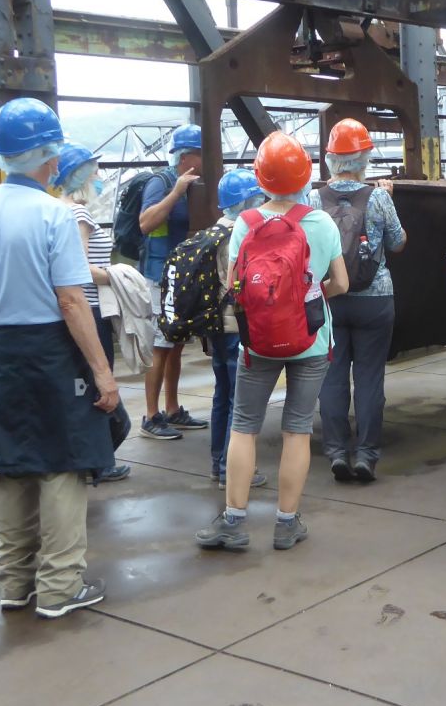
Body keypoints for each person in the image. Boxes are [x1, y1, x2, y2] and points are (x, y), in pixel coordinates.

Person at [0, 98, 121, 620]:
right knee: (62, 467)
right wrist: (103, 373)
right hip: (50, 352)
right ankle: (60, 587)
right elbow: (71, 301)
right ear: (48, 155)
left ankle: (14, 582)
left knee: (12, 466)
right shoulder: (54, 214)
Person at [196, 132, 347, 553]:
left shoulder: (245, 223)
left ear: (261, 179)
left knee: (244, 426)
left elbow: (235, 285)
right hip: (311, 341)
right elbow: (342, 282)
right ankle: (286, 524)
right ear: (306, 176)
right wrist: (305, 299)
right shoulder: (322, 223)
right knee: (297, 430)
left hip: (258, 342)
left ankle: (233, 522)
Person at [309, 118, 407, 483]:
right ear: (364, 157)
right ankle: (366, 455)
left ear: (330, 158)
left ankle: (337, 451)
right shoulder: (378, 196)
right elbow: (397, 242)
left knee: (332, 378)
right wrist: (389, 201)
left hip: (330, 296)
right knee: (369, 379)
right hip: (374, 298)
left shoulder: (314, 198)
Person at [54, 142, 130, 483]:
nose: (99, 178)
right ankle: (100, 461)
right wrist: (117, 276)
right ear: (80, 176)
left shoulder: (58, 210)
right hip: (90, 309)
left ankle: (89, 457)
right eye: (94, 172)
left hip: (70, 312)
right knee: (100, 385)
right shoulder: (80, 214)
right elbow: (80, 268)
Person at [138, 123, 209, 440]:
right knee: (160, 346)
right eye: (201, 153)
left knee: (175, 344)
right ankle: (151, 415)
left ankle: (172, 408)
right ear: (186, 157)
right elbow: (145, 223)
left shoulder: (198, 184)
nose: (206, 159)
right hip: (158, 277)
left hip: (181, 276)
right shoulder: (162, 182)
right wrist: (176, 192)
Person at [207, 168, 269, 488]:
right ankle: (231, 471)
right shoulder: (239, 234)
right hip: (234, 325)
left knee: (221, 396)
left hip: (214, 326)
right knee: (238, 400)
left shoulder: (213, 231)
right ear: (244, 202)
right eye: (255, 198)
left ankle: (217, 462)